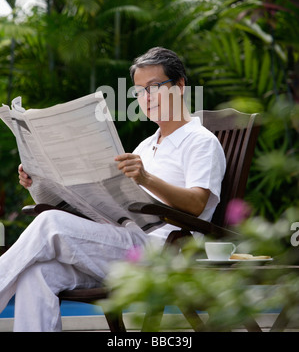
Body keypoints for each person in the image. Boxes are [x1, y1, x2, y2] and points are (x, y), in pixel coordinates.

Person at [0, 47, 226, 331]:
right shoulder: (146, 146)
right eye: (139, 92)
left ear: (180, 86)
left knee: (49, 222)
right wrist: (40, 182)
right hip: (121, 243)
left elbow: (196, 204)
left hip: (161, 252)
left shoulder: (200, 141)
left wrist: (145, 179)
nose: (147, 98)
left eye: (154, 87)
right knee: (38, 274)